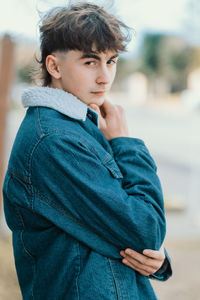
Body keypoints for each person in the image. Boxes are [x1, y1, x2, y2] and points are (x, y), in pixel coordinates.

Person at [3, 2, 172, 299]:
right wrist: (125, 144)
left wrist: (155, 255)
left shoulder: (77, 126)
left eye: (111, 61)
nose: (105, 77)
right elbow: (145, 229)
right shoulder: (54, 141)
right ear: (54, 66)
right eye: (90, 62)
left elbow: (114, 224)